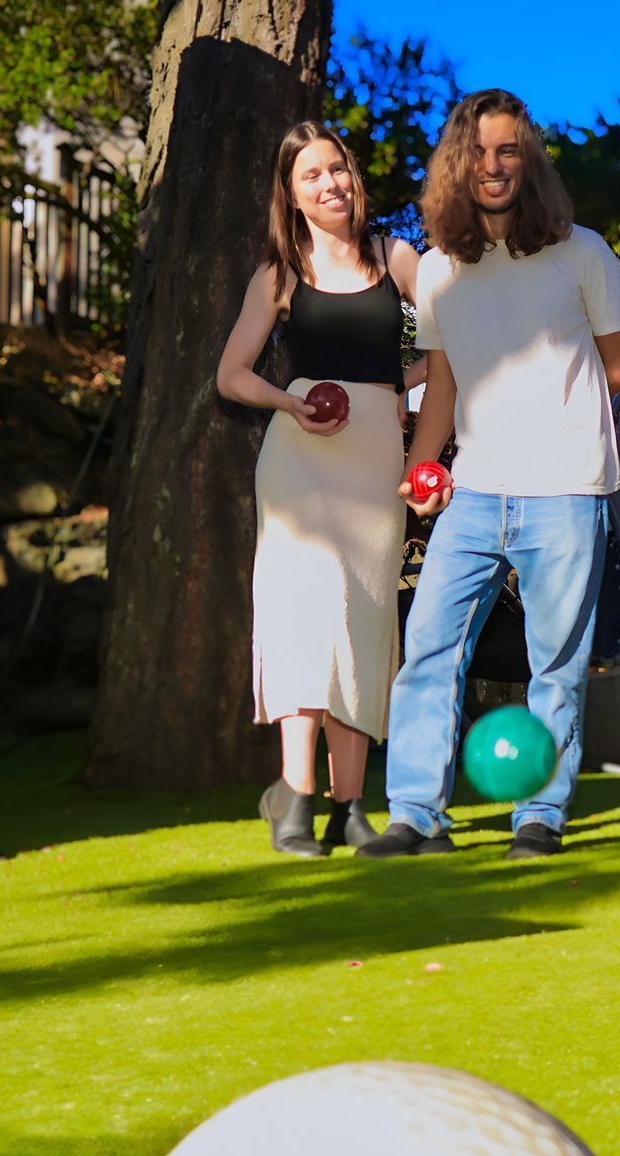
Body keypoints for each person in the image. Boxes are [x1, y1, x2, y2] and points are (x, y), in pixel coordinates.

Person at [357, 89, 620, 860]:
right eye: (478, 152)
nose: (493, 165)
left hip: (568, 489)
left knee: (556, 663)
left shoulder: (583, 252)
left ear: (529, 159)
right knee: (427, 647)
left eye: (508, 150)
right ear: (457, 161)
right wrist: (421, 474)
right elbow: (441, 385)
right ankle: (414, 814)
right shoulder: (440, 273)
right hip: (475, 491)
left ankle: (539, 817)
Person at [216, 121, 424, 857]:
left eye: (337, 168)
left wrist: (400, 389)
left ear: (352, 177)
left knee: (364, 622)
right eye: (312, 175)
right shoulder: (278, 274)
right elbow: (231, 374)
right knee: (307, 619)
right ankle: (296, 797)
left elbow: (442, 352)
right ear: (292, 195)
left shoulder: (398, 258)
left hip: (375, 464)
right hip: (299, 460)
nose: (330, 183)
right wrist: (289, 401)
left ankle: (351, 805)